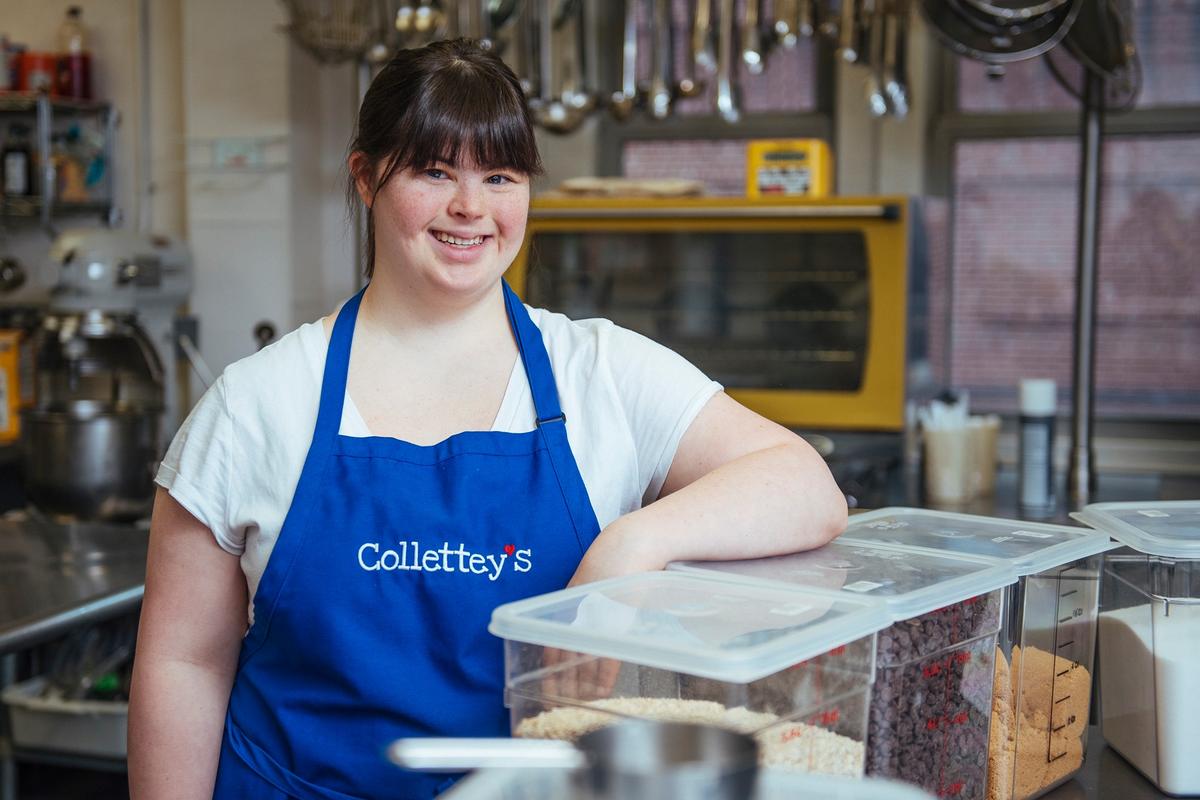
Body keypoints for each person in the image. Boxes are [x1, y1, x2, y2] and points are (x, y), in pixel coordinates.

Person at [127, 38, 847, 800]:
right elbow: (185, 664)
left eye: (499, 176)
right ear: (366, 178)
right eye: (435, 172)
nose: (471, 208)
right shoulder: (257, 403)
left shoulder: (601, 373)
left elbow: (806, 486)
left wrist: (630, 547)